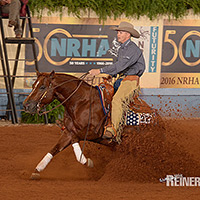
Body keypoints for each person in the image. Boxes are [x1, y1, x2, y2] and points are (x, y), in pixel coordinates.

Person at [89, 21, 145, 142]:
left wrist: (100, 70)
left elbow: (120, 65)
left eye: (121, 32)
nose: (118, 34)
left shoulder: (132, 49)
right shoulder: (122, 49)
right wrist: (111, 75)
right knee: (103, 97)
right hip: (122, 79)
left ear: (128, 35)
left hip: (130, 81)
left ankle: (113, 129)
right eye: (118, 32)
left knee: (117, 100)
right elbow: (120, 68)